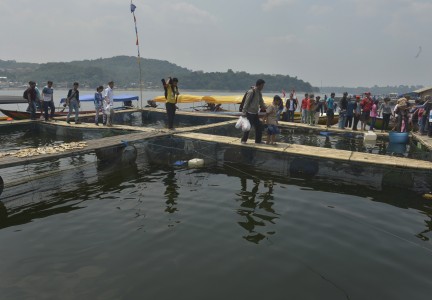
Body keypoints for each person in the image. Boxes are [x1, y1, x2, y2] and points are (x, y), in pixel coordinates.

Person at [241, 79, 266, 144]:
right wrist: (243, 113)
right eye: (262, 85)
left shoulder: (259, 93)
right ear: (259, 85)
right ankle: (243, 140)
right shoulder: (251, 92)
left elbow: (262, 103)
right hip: (249, 113)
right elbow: (246, 103)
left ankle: (258, 141)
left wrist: (268, 108)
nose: (263, 87)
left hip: (255, 113)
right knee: (248, 127)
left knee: (259, 127)